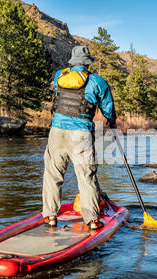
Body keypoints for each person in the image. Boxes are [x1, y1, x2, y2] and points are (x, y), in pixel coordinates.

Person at [42, 45, 117, 230]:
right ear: (87, 64)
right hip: (80, 134)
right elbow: (107, 107)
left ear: (72, 62)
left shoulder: (60, 76)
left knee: (53, 175)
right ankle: (92, 220)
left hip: (56, 132)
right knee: (86, 176)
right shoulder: (97, 81)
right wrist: (111, 120)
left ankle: (51, 216)